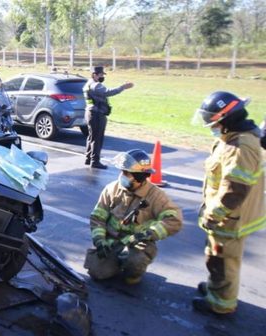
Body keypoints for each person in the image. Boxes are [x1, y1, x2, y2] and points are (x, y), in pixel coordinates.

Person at [192, 91, 265, 315]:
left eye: (213, 121)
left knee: (222, 261)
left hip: (228, 219)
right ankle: (217, 287)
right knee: (217, 257)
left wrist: (213, 216)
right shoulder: (232, 138)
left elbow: (234, 191)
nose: (211, 126)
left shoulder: (239, 147)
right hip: (227, 217)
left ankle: (221, 303)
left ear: (226, 118)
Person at [84, 149, 182, 284]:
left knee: (133, 268)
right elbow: (98, 217)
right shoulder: (112, 189)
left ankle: (132, 269)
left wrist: (148, 234)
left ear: (139, 176)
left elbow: (174, 220)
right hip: (113, 241)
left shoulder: (156, 196)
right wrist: (100, 241)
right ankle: (116, 262)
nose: (121, 176)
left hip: (137, 243)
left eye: (125, 173)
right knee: (97, 272)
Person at [83, 66, 134, 169]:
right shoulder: (95, 85)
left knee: (92, 137)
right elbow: (109, 92)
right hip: (96, 114)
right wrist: (123, 87)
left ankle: (88, 158)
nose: (102, 76)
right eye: (101, 75)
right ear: (94, 75)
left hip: (90, 112)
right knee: (97, 138)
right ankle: (95, 161)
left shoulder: (88, 84)